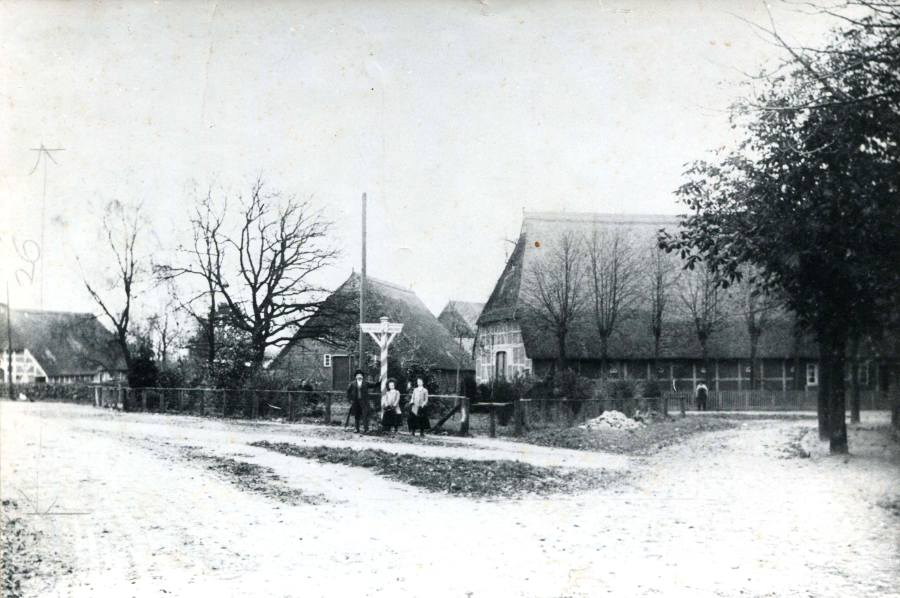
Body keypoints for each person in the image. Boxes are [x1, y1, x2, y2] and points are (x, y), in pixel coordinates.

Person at [346, 369, 374, 433]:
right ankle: (356, 429)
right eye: (358, 375)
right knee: (357, 415)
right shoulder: (352, 384)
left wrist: (379, 382)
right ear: (356, 376)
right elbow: (348, 392)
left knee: (365, 415)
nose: (359, 376)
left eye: (360, 375)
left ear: (362, 376)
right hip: (356, 402)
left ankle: (366, 429)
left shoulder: (366, 383)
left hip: (364, 402)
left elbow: (374, 385)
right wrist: (350, 400)